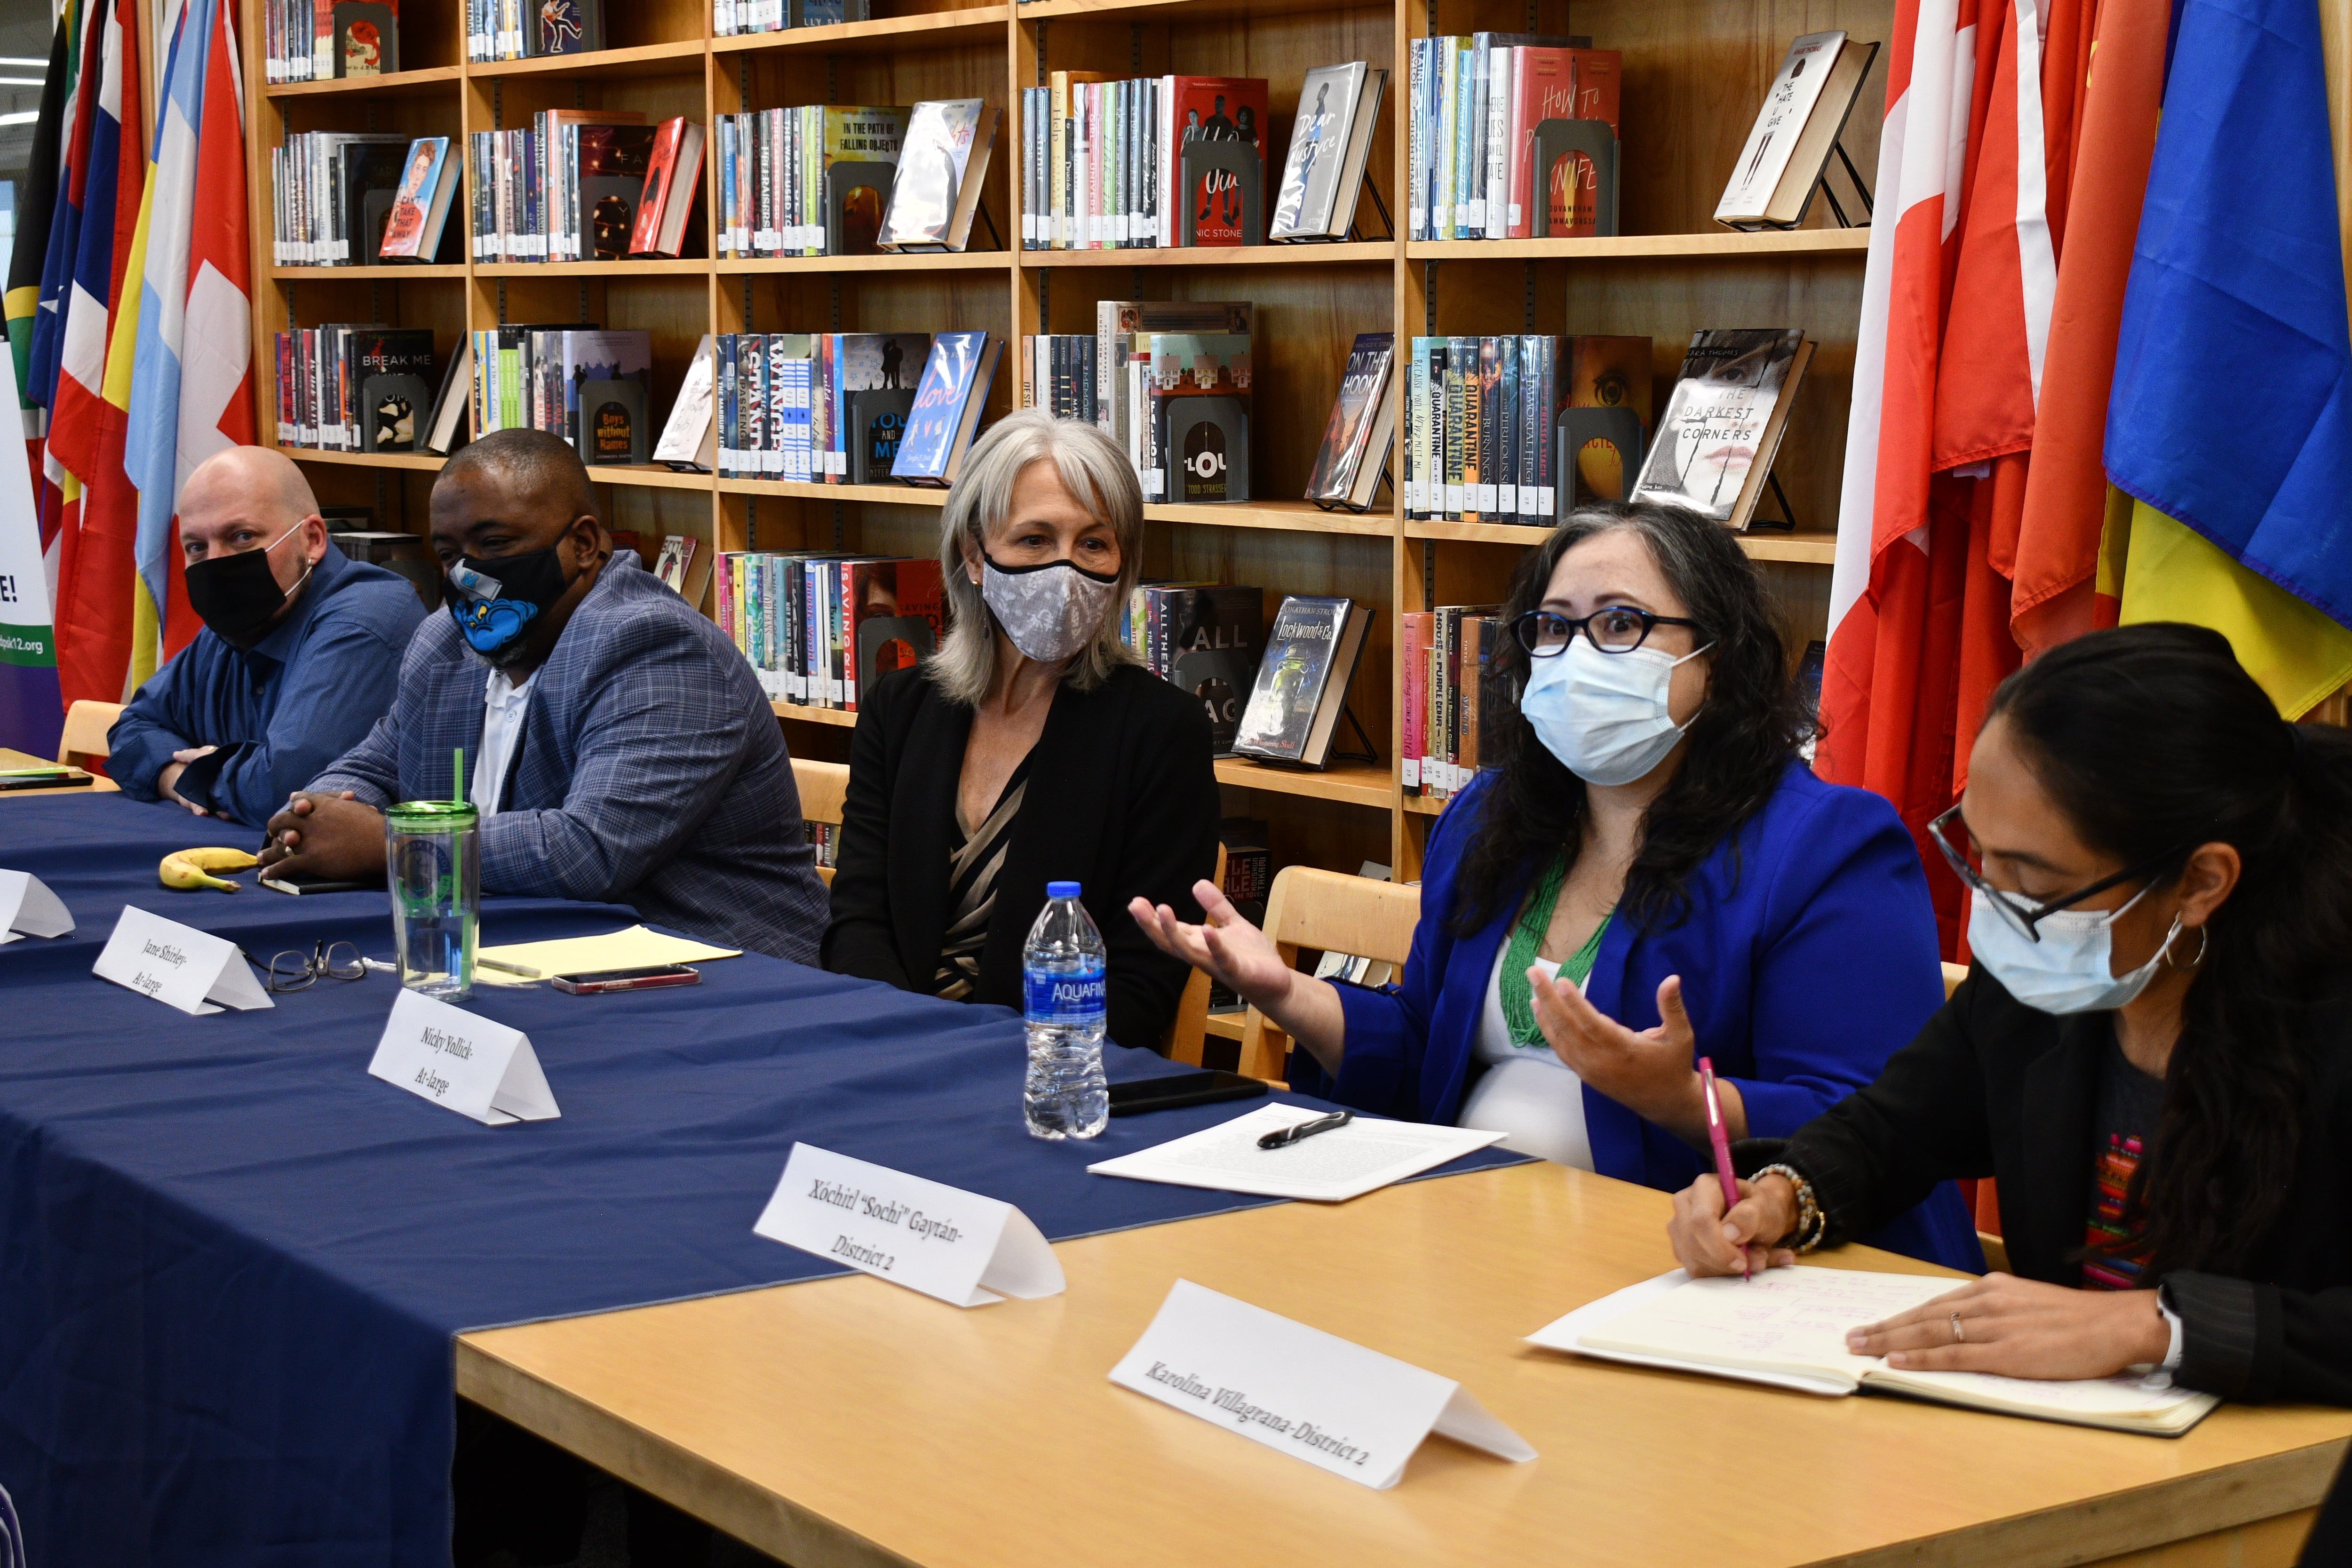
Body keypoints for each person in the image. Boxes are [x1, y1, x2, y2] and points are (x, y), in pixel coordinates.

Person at [1135, 501, 1979, 1268]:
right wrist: (1290, 994)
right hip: (1471, 1240)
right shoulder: (1493, 815)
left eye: (1620, 624)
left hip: (1701, 1267)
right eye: (1552, 627)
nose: (1577, 655)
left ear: (1717, 658)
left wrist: (1685, 1100)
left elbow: (1870, 1124)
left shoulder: (1826, 846)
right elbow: (1429, 1044)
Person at [1665, 626, 2352, 1406]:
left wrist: (2156, 1327)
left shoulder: (2327, 1015)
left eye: (2031, 874)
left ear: (2200, 882)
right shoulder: (2047, 974)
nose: (1993, 904)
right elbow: (1893, 1128)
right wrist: (1781, 1193)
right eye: (1981, 853)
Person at [256, 428, 829, 964]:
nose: (467, 577)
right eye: (451, 555)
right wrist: (318, 811)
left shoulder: (655, 645)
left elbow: (589, 850)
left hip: (716, 972)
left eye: (495, 544)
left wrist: (391, 841)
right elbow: (376, 763)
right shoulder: (445, 642)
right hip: (523, 951)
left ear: (582, 543)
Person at [823, 409, 1221, 1053]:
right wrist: (908, 1052)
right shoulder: (899, 709)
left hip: (1045, 1078)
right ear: (975, 556)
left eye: (1093, 543)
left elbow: (1140, 988)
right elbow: (856, 925)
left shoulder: (1163, 734)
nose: (1065, 571)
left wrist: (980, 1068)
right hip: (886, 1052)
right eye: (1034, 540)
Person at [108, 446, 425, 828]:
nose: (216, 563)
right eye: (196, 547)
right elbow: (131, 731)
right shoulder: (236, 626)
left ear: (312, 539)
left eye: (242, 537)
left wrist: (203, 773)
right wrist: (175, 777)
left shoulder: (365, 620)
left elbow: (284, 792)